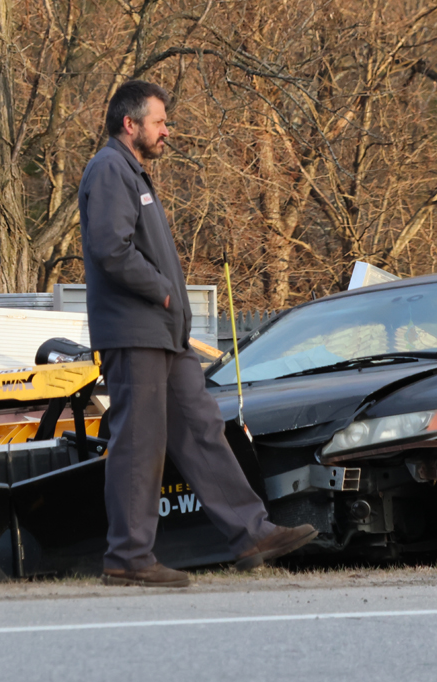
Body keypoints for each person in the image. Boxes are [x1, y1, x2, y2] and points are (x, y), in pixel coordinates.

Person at [78, 80, 316, 588]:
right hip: (137, 330)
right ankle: (128, 557)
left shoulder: (135, 174)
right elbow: (110, 249)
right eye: (160, 122)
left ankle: (251, 533)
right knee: (140, 443)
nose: (168, 131)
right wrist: (164, 292)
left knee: (203, 428)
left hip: (166, 335)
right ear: (131, 124)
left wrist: (172, 307)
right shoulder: (108, 170)